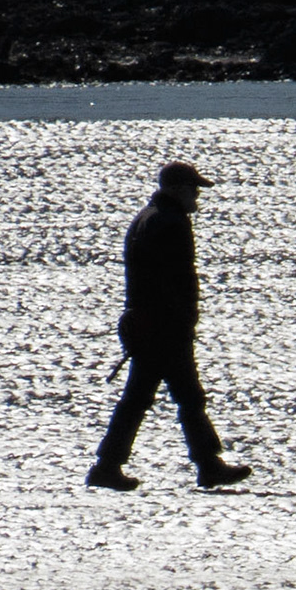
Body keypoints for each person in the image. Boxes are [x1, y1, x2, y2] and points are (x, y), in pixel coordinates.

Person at [86, 161, 251, 492]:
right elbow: (174, 280)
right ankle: (206, 466)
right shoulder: (172, 223)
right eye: (193, 190)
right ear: (177, 190)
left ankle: (111, 465)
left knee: (148, 397)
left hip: (147, 323)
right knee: (183, 397)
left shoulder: (146, 218)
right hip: (165, 326)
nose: (197, 198)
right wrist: (184, 319)